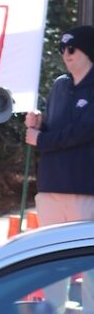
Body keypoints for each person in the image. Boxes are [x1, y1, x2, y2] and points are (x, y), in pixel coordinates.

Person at [25, 24, 94, 224]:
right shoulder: (60, 85)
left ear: (88, 50)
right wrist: (39, 124)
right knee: (50, 250)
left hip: (84, 189)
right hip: (50, 186)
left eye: (71, 48)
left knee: (83, 252)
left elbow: (85, 130)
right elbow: (55, 126)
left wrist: (41, 140)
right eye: (61, 49)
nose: (66, 54)